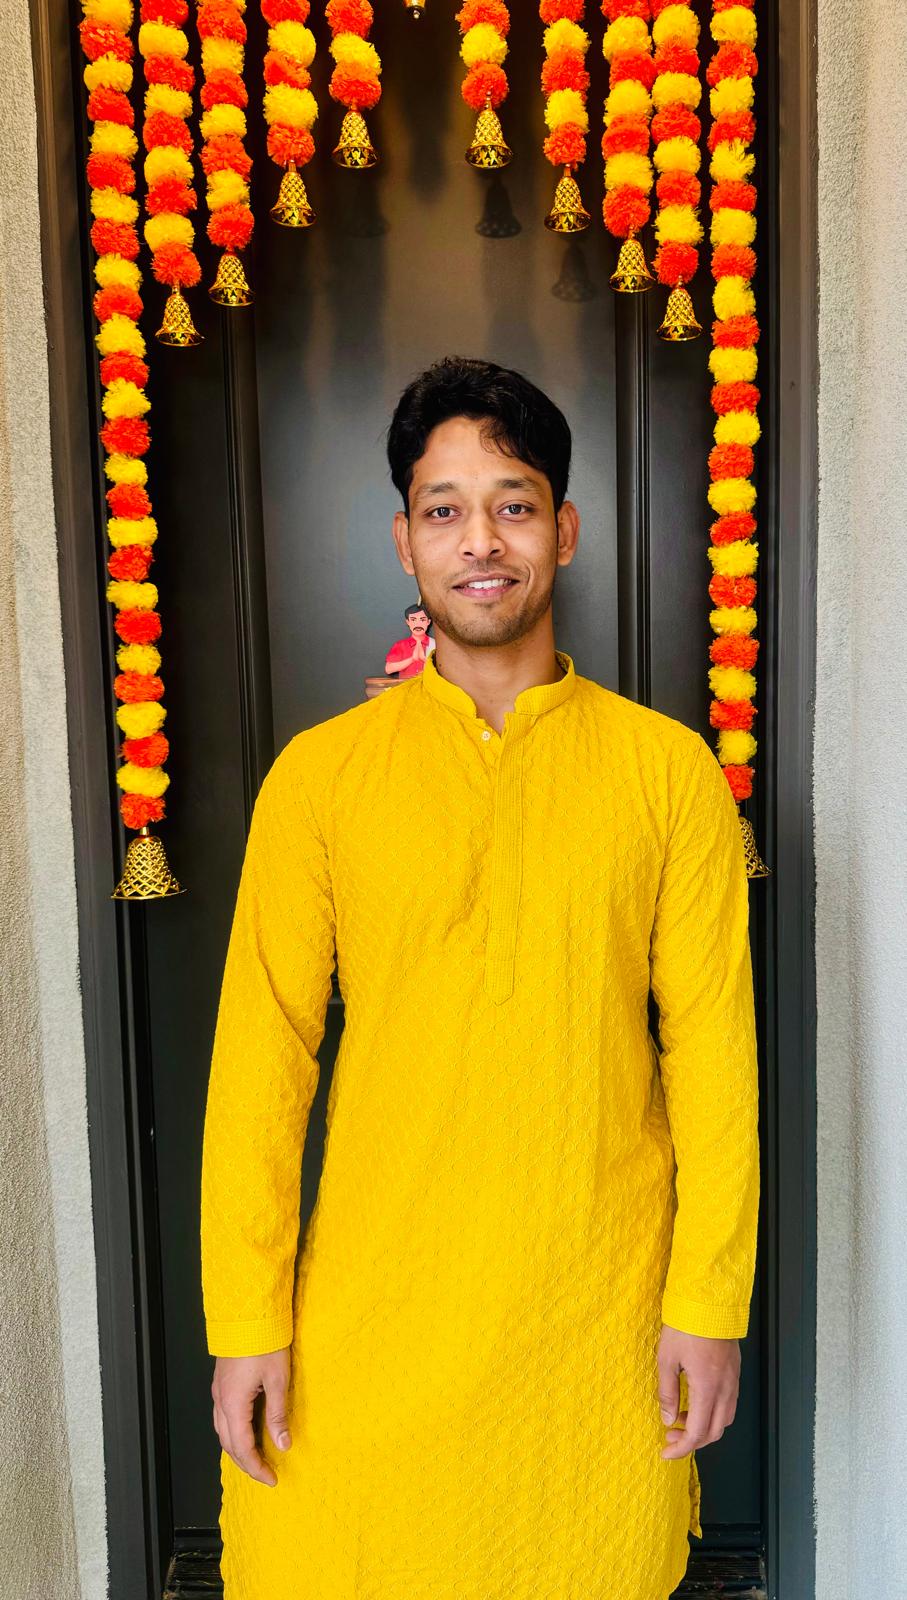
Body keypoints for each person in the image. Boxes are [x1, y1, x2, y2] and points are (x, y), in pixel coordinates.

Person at [200, 355, 760, 1600]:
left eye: (513, 504)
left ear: (565, 528)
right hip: (371, 1316)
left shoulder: (666, 774)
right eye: (443, 509)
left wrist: (708, 1300)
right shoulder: (321, 779)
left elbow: (714, 1054)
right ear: (404, 542)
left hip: (596, 1318)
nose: (481, 541)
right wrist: (246, 1319)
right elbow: (260, 1061)